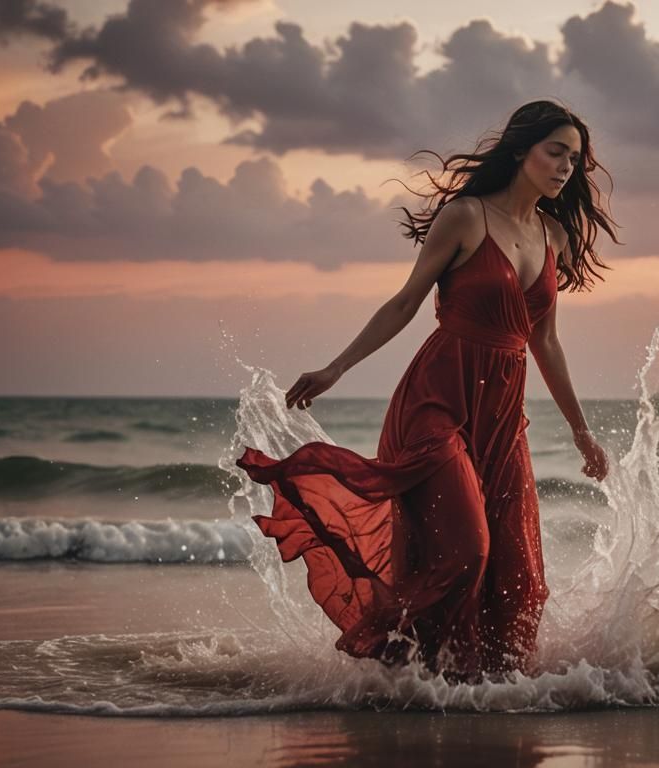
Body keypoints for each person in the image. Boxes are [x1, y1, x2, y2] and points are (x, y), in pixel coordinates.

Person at [235, 100, 619, 682]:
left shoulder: (554, 235)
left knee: (519, 577)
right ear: (521, 151)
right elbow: (405, 302)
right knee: (468, 549)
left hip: (501, 415)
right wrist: (336, 369)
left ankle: (473, 686)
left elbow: (546, 342)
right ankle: (395, 653)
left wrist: (580, 429)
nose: (567, 166)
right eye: (555, 151)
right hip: (437, 400)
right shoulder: (465, 217)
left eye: (575, 158)